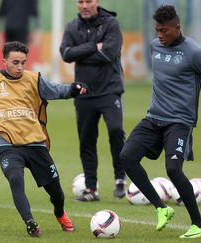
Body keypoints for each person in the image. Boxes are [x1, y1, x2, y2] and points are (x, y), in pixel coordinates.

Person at [119, 5, 201, 239]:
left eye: (164, 31)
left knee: (173, 170)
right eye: (157, 30)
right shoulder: (155, 46)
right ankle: (161, 208)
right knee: (126, 157)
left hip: (179, 123)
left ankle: (198, 225)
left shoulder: (194, 52)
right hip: (153, 118)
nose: (159, 35)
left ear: (177, 27)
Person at [0, 41, 86, 237]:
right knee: (15, 179)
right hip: (8, 145)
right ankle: (30, 222)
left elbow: (56, 91)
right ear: (4, 61)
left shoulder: (33, 78)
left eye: (23, 62)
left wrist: (73, 89)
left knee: (56, 192)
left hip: (35, 143)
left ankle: (60, 213)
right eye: (15, 62)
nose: (20, 67)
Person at [60, 0, 127, 201]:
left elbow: (109, 53)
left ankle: (120, 179)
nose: (84, 5)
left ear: (96, 2)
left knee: (116, 130)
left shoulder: (111, 23)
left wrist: (80, 53)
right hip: (84, 92)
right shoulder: (72, 26)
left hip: (109, 90)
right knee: (86, 140)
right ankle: (91, 189)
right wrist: (93, 47)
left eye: (88, 1)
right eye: (80, 1)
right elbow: (65, 54)